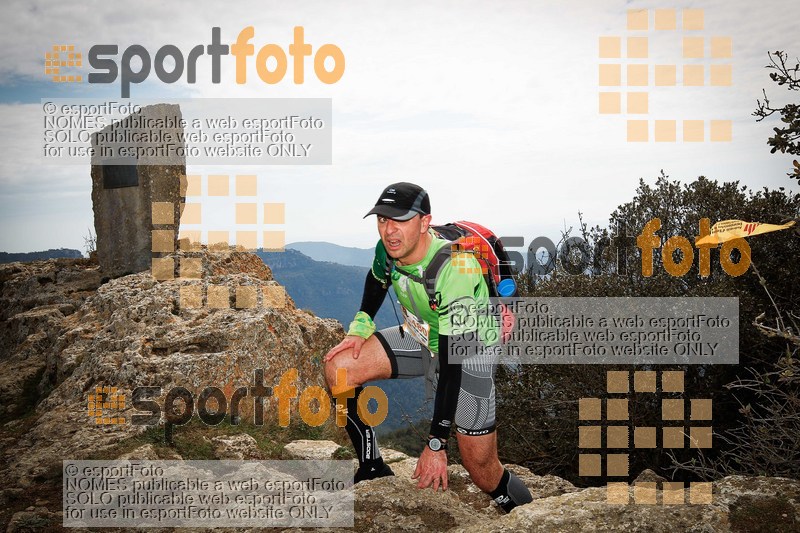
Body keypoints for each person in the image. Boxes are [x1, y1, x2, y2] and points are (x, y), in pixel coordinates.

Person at [323, 182, 533, 513]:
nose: (389, 230)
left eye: (400, 220)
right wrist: (361, 325)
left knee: (481, 470)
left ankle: (529, 517)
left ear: (424, 222)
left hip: (469, 350)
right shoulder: (388, 249)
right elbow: (377, 280)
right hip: (424, 335)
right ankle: (372, 468)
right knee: (340, 368)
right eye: (382, 220)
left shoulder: (456, 270)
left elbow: (452, 362)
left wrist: (436, 445)